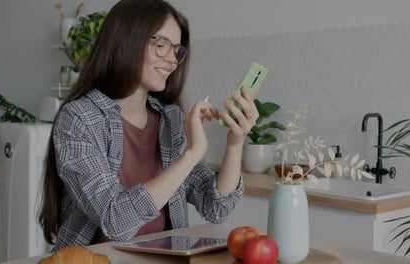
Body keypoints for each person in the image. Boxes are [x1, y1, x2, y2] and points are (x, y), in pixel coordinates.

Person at [39, 0, 259, 250]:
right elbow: (115, 221)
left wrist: (235, 141)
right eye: (161, 45)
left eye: (176, 50)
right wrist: (190, 154)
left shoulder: (169, 120)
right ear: (127, 40)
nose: (172, 60)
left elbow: (216, 207)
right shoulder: (79, 118)